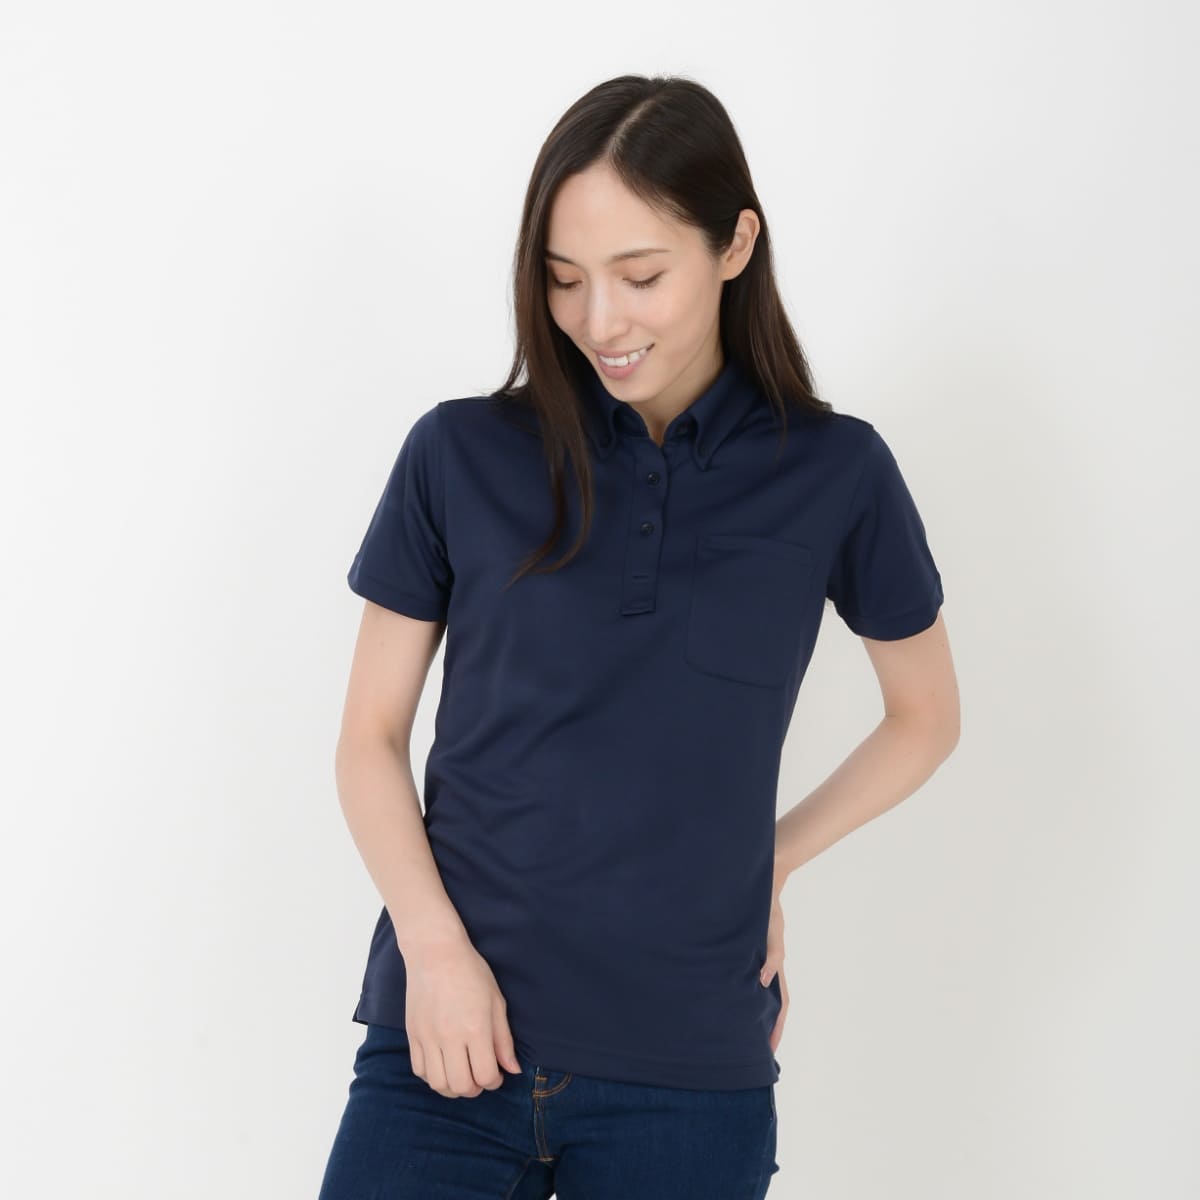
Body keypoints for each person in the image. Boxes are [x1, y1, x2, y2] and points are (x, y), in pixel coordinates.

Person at [318, 73, 960, 1200]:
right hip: (447, 1043)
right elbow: (369, 739)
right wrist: (433, 949)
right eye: (564, 279)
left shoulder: (837, 473)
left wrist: (771, 857)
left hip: (688, 1075)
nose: (599, 321)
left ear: (735, 245)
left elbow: (926, 718)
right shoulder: (459, 454)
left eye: (641, 275)